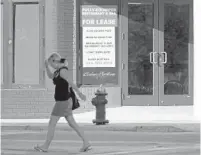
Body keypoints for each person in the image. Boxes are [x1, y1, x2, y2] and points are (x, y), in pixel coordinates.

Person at [34, 53, 91, 152]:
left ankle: (45, 146)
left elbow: (71, 83)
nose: (52, 66)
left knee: (52, 123)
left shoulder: (63, 71)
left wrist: (80, 94)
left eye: (51, 64)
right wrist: (47, 67)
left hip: (63, 101)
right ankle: (86, 142)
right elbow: (51, 76)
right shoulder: (58, 71)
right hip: (65, 101)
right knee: (72, 123)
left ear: (55, 61)